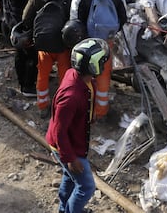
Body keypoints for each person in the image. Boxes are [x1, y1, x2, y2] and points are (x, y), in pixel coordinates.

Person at [45, 38, 109, 213]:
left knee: (70, 177)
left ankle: (63, 209)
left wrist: (89, 113)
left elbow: (88, 92)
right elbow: (60, 131)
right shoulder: (71, 96)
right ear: (95, 66)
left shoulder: (77, 76)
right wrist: (70, 158)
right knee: (86, 188)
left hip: (72, 141)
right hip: (67, 146)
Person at [70, 0, 127, 119]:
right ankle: (100, 112)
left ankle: (83, 109)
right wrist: (110, 33)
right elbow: (123, 17)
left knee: (84, 74)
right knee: (103, 74)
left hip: (85, 43)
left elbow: (74, 20)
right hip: (105, 43)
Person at [22, 0, 73, 117]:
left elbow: (26, 17)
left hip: (43, 42)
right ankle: (63, 107)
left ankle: (43, 105)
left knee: (42, 74)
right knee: (64, 76)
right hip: (62, 44)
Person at [0, 0, 35, 96]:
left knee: (20, 55)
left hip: (11, 25)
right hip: (21, 28)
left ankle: (23, 80)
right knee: (31, 56)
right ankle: (27, 86)